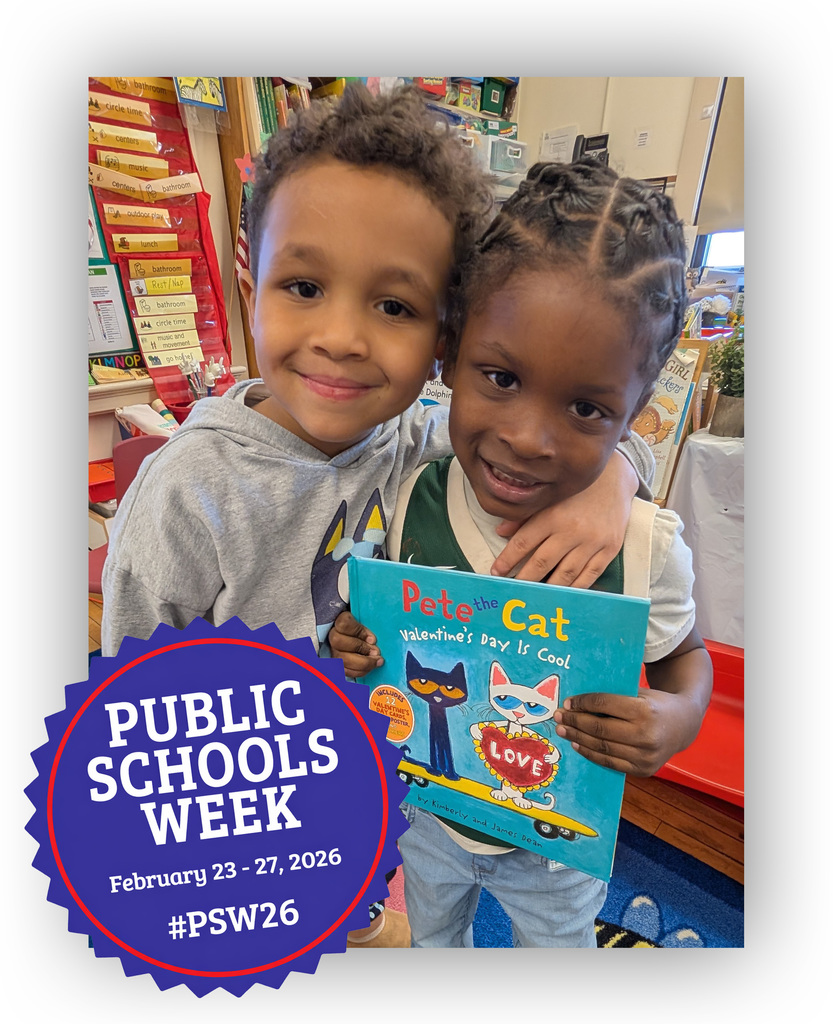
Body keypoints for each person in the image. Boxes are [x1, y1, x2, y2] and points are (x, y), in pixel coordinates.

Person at [100, 87, 655, 947]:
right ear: (251, 277)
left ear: (444, 334)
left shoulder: (421, 436)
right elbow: (126, 706)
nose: (344, 337)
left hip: (374, 813)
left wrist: (614, 475)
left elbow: (564, 436)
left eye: (394, 306)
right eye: (305, 285)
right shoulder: (188, 491)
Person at [329, 158, 714, 948]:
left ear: (635, 411)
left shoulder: (644, 548)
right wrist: (353, 641)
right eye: (499, 377)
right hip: (433, 817)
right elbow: (373, 628)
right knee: (435, 945)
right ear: (448, 354)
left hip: (558, 846)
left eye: (584, 406)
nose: (527, 438)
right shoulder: (406, 499)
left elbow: (686, 658)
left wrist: (675, 719)